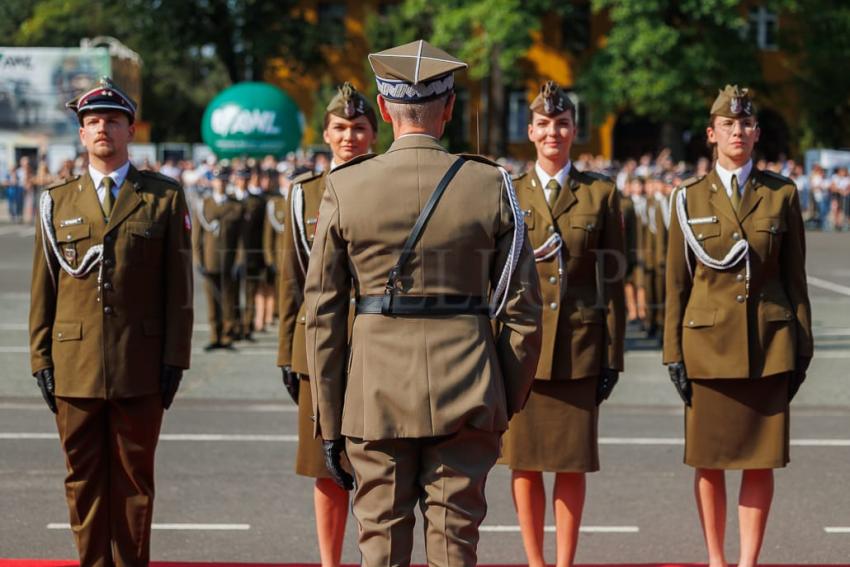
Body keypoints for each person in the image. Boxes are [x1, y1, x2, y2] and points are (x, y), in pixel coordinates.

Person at [305, 40, 542, 566]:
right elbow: (524, 310)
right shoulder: (491, 184)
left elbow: (321, 317)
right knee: (456, 546)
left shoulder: (346, 187)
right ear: (449, 107)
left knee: (382, 546)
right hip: (469, 386)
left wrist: (329, 416)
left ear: (385, 110)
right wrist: (502, 393)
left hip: (375, 394)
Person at [28, 77, 193, 566]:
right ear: (82, 135)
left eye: (113, 121)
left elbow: (179, 291)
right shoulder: (57, 201)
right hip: (73, 361)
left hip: (140, 364)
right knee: (82, 478)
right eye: (93, 122)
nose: (102, 129)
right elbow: (44, 288)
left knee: (134, 482)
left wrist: (175, 359)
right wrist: (40, 357)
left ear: (130, 130)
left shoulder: (162, 198)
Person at [664, 85, 813, 567]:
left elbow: (795, 278)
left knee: (760, 459)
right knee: (709, 461)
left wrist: (803, 349)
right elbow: (676, 285)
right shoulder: (687, 198)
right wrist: (673, 353)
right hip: (706, 348)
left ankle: (748, 561)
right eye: (728, 125)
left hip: (769, 344)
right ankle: (716, 559)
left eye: (746, 124)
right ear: (712, 134)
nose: (738, 132)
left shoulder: (781, 194)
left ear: (757, 133)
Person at [499, 81, 626, 567]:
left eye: (563, 124)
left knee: (572, 464)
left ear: (575, 130)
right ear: (530, 131)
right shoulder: (509, 193)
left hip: (579, 346)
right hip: (523, 350)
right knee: (524, 464)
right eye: (545, 124)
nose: (554, 132)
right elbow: (498, 281)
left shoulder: (601, 194)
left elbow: (612, 280)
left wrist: (612, 355)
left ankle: (565, 561)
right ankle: (535, 561)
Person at [276, 81, 378, 567]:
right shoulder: (303, 195)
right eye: (340, 128)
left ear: (373, 134)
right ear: (325, 133)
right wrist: (285, 354)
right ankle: (329, 562)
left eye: (359, 128)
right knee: (325, 466)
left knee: (377, 466)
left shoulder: (388, 184)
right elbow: (290, 280)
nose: (349, 137)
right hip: (316, 349)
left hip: (378, 342)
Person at [193, 165, 244, 351]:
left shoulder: (235, 205)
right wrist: (198, 260)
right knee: (212, 300)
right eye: (217, 180)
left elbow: (240, 238)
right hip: (210, 259)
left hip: (229, 261)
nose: (220, 183)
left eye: (223, 180)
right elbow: (197, 236)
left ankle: (227, 336)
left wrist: (239, 260)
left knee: (229, 300)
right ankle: (215, 336)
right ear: (212, 182)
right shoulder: (204, 204)